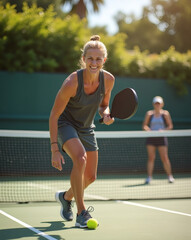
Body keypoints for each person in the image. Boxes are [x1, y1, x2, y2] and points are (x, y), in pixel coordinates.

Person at [49, 35, 115, 228]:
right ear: (83, 59)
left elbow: (104, 105)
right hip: (65, 123)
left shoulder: (109, 80)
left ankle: (65, 197)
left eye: (98, 59)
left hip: (87, 127)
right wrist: (55, 149)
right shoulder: (71, 83)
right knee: (80, 158)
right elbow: (54, 115)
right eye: (90, 58)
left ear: (103, 60)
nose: (94, 63)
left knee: (91, 177)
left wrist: (107, 114)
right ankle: (81, 213)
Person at [142, 96, 175, 184]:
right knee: (151, 158)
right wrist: (149, 130)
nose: (157, 105)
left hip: (162, 138)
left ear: (162, 104)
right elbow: (144, 125)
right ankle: (149, 177)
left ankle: (169, 176)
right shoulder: (149, 114)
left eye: (159, 103)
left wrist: (163, 131)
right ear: (153, 104)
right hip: (151, 138)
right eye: (156, 103)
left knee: (164, 158)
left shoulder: (165, 114)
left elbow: (170, 126)